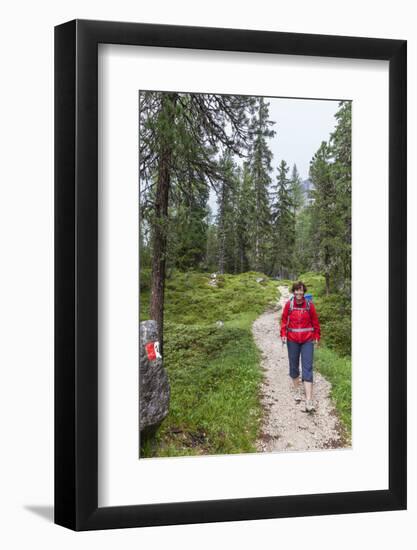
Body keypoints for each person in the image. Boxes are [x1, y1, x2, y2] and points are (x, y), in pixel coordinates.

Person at [280, 281, 321, 412]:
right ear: (293, 291)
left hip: (307, 340)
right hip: (292, 340)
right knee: (293, 365)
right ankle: (297, 390)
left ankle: (309, 400)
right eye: (297, 290)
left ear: (304, 292)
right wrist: (283, 334)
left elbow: (315, 322)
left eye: (301, 290)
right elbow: (283, 320)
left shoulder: (309, 305)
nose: (299, 293)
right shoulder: (289, 305)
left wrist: (317, 336)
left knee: (307, 367)